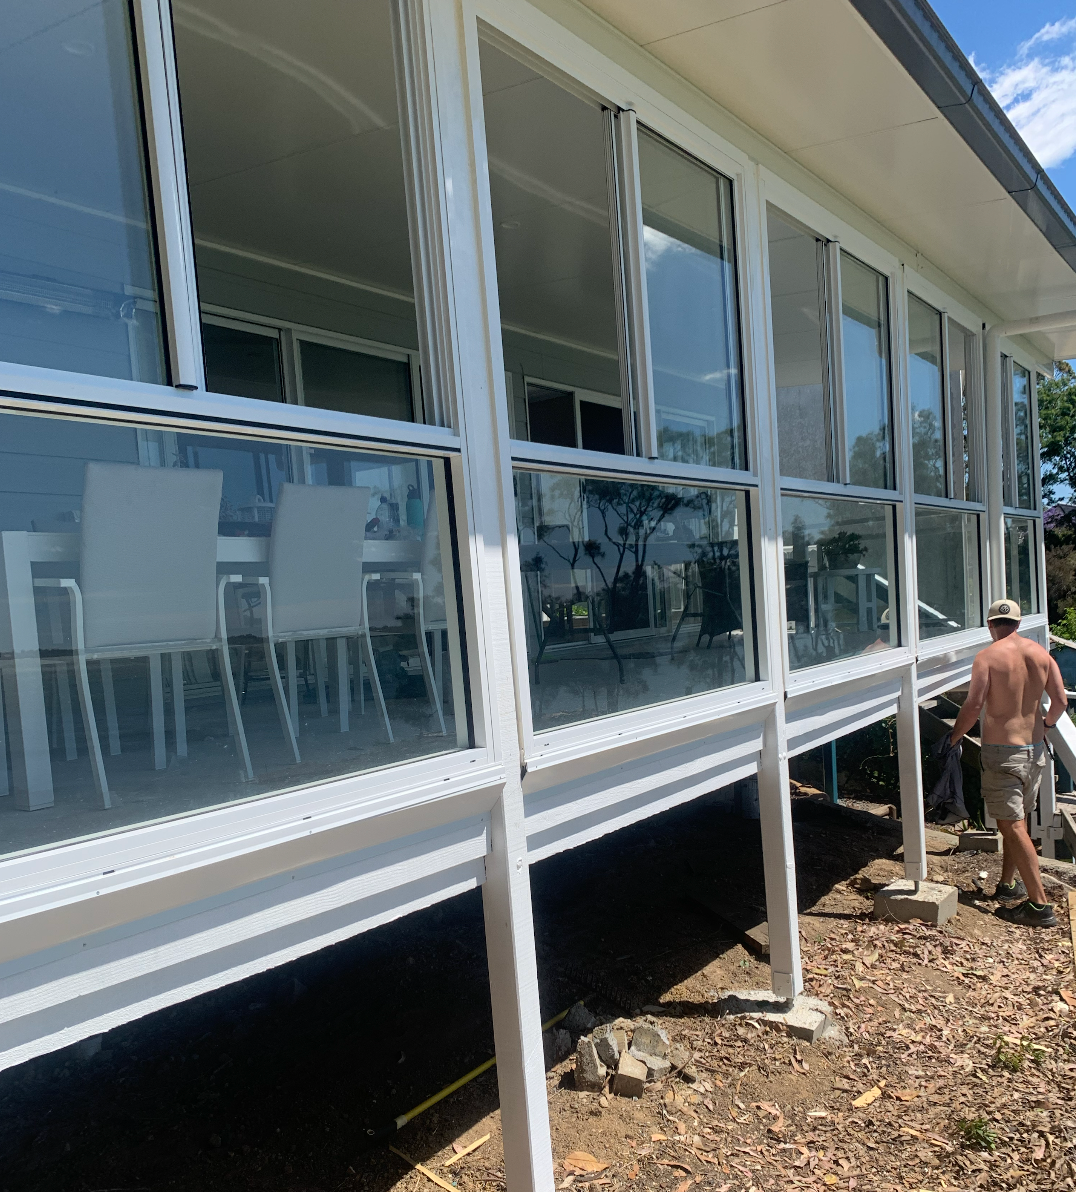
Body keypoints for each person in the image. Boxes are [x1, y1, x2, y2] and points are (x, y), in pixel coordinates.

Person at [949, 598, 1067, 928]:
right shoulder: (1040, 654)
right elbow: (1059, 701)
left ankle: (1039, 906)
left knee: (1012, 826)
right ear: (1018, 623)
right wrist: (1045, 725)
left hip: (1002, 753)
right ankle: (1007, 885)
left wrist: (955, 737)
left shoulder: (988, 657)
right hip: (1034, 750)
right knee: (1017, 822)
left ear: (990, 625)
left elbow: (973, 706)